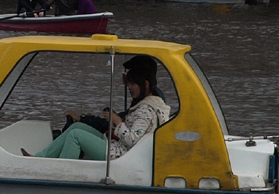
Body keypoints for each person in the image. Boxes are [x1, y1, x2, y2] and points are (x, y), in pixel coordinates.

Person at [30, 55, 172, 161]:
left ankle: (60, 172)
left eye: (133, 84)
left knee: (75, 136)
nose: (129, 88)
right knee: (77, 126)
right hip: (117, 146)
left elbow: (132, 140)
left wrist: (117, 121)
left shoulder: (147, 109)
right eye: (129, 83)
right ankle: (39, 158)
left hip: (120, 154)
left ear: (146, 84)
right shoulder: (149, 101)